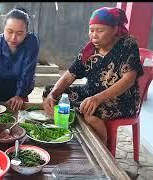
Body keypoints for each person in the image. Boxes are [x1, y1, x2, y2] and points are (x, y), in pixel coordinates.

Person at [43, 7, 143, 145]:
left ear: (114, 30)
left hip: (121, 100)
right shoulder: (89, 50)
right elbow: (70, 75)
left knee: (90, 112)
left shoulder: (127, 44)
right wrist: (52, 94)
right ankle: (69, 131)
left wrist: (97, 99)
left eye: (100, 31)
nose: (94, 35)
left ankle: (102, 150)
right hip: (91, 93)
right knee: (51, 93)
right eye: (91, 30)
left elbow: (129, 79)